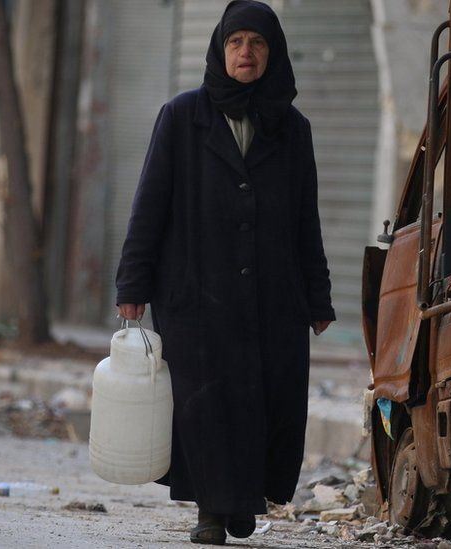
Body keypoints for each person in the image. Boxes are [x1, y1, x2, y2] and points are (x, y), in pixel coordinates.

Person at [114, 1, 334, 544]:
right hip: (197, 290)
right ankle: (212, 511)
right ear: (219, 49)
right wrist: (132, 284)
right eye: (235, 42)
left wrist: (318, 297)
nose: (245, 52)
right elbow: (150, 204)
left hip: (271, 294)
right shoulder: (183, 115)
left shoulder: (292, 128)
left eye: (257, 43)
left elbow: (307, 217)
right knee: (206, 402)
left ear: (272, 53)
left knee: (263, 399)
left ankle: (244, 501)